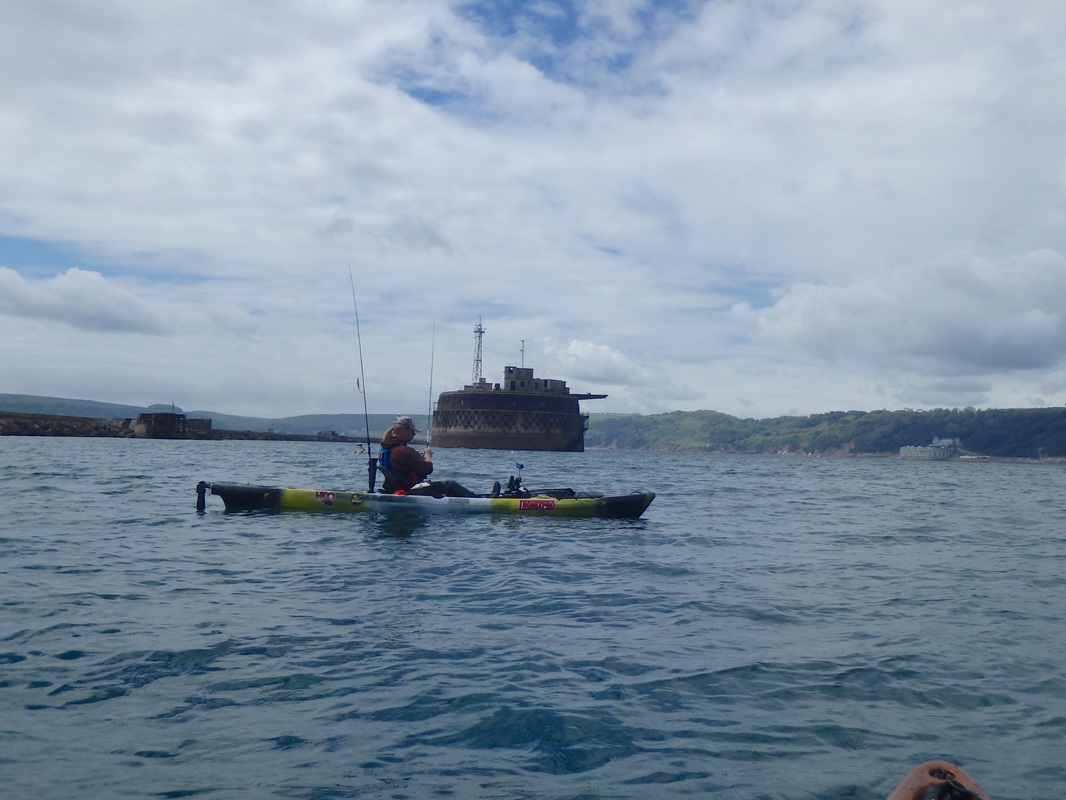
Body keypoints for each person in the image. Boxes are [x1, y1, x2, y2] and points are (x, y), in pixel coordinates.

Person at [378, 415, 475, 497]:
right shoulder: (404, 451)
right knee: (450, 485)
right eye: (412, 431)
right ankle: (475, 500)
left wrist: (415, 457)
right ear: (405, 430)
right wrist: (428, 455)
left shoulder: (388, 449)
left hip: (395, 489)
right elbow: (427, 469)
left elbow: (403, 466)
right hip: (410, 491)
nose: (414, 434)